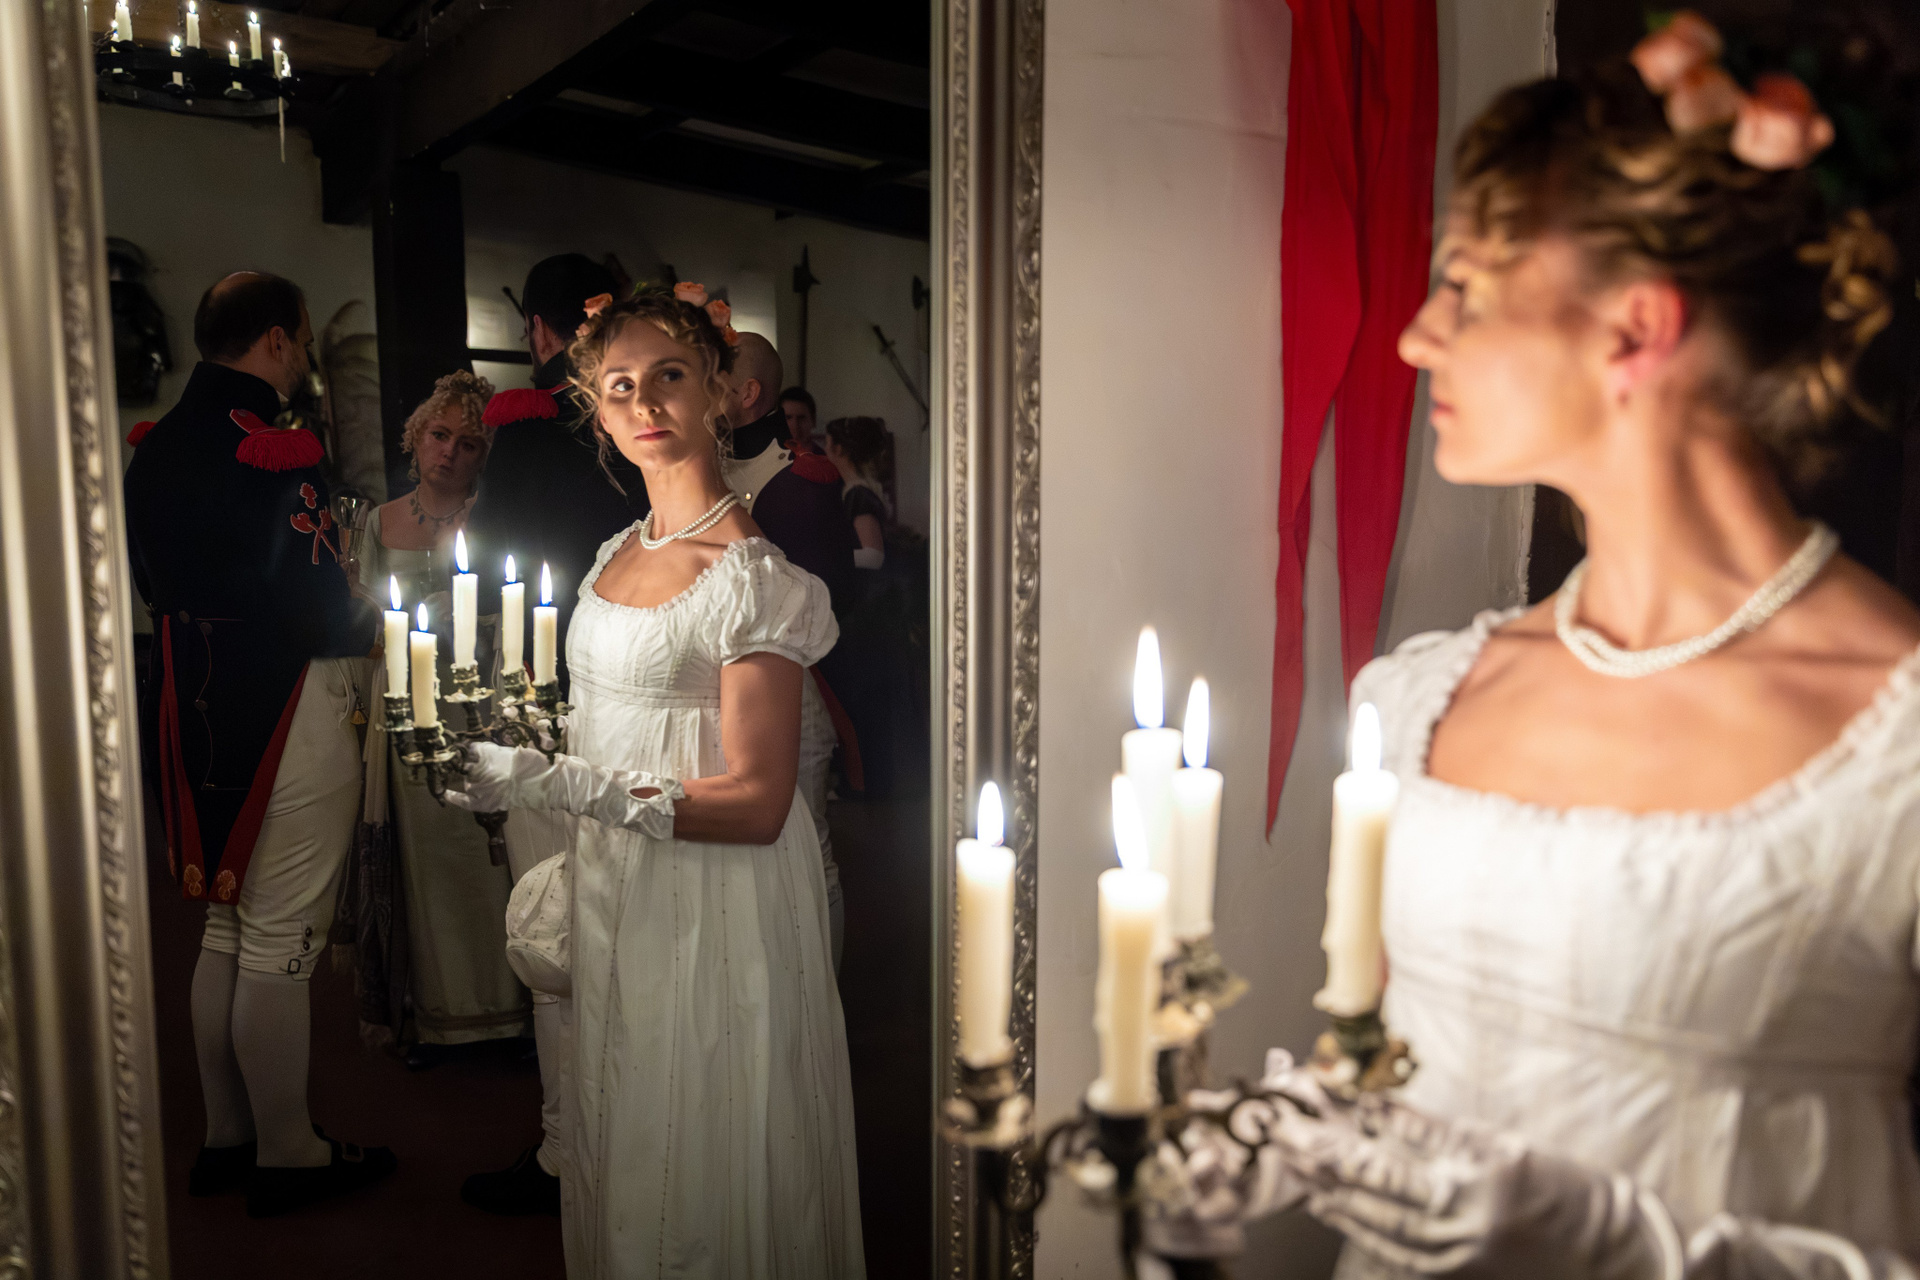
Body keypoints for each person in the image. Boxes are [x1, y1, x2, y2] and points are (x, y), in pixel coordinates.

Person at [1177, 22, 1920, 1277]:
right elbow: (1399, 1066)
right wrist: (1275, 1140)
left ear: (1633, 328)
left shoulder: (1895, 739)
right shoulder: (1422, 694)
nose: (1416, 336)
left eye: (1465, 286)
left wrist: (1615, 1241)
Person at [448, 287, 864, 1276]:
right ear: (597, 412)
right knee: (625, 1124)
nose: (644, 402)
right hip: (617, 890)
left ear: (718, 389)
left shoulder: (751, 574)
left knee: (698, 1133)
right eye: (620, 385)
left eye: (668, 375)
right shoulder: (614, 555)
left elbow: (759, 803)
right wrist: (524, 754)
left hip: (712, 900)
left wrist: (559, 784)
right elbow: (605, 724)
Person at [124, 271, 394, 1217]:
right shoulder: (272, 448)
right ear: (277, 340)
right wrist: (377, 621)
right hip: (283, 701)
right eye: (304, 341)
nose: (305, 358)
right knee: (280, 936)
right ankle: (289, 1153)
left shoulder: (154, 448)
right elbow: (317, 602)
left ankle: (228, 1137)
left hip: (187, 700)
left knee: (225, 925)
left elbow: (149, 581)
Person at [460, 255, 647, 1216]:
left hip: (549, 700)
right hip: (650, 703)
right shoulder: (653, 424)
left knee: (551, 930)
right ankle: (640, 1134)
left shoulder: (531, 429)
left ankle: (566, 1150)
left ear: (537, 331)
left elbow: (499, 569)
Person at [355, 371, 530, 1065]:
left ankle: (506, 1011)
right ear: (416, 437)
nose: (450, 451)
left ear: (484, 457)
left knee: (491, 849)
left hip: (479, 701)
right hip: (406, 705)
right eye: (439, 435)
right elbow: (358, 619)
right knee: (424, 856)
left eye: (468, 443)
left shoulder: (496, 520)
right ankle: (437, 1014)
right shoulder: (378, 523)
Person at [719, 325, 859, 968]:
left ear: (747, 392)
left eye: (715, 375)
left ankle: (823, 993)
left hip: (797, 684)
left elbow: (827, 602)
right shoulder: (708, 463)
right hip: (728, 681)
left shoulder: (800, 478)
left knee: (808, 846)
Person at [822, 415, 894, 570]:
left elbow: (873, 556)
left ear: (838, 449)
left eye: (827, 443)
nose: (825, 449)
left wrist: (824, 557)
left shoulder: (858, 495)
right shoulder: (856, 489)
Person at [780, 384, 819, 450]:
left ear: (813, 421)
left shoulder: (824, 456)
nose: (795, 425)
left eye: (801, 418)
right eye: (788, 418)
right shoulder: (766, 454)